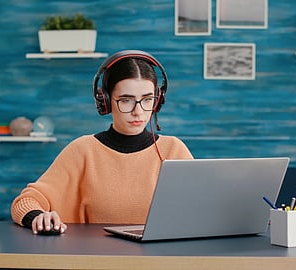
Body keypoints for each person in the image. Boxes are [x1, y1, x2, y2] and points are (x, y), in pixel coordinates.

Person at [11, 50, 193, 234]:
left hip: (160, 260)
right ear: (105, 101)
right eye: (126, 100)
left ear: (158, 100)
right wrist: (38, 216)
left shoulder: (174, 150)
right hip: (95, 260)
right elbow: (25, 202)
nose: (138, 111)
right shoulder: (82, 150)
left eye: (147, 99)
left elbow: (202, 206)